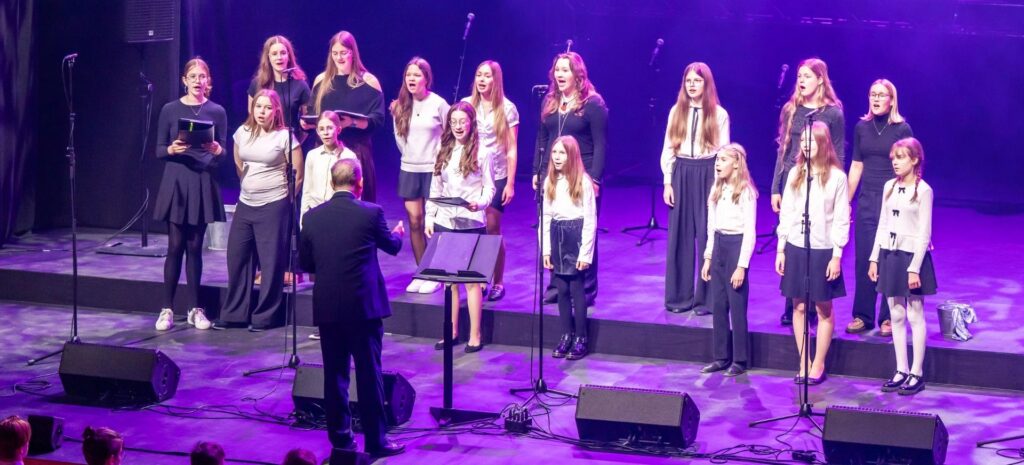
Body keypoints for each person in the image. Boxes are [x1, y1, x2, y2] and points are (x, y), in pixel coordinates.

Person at [299, 158, 405, 459]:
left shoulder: (312, 217)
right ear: (360, 183)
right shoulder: (371, 213)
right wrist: (398, 233)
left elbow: (306, 264)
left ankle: (341, 441)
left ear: (332, 183)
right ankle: (376, 441)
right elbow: (392, 246)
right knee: (369, 375)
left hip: (329, 309)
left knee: (335, 377)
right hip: (363, 310)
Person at [217, 89, 303, 331]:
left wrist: (285, 200)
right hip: (246, 203)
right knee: (238, 257)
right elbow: (239, 163)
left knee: (271, 261)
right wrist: (249, 185)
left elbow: (297, 174)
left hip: (274, 204)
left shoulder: (284, 137)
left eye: (267, 107)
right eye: (258, 107)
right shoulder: (242, 133)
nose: (262, 112)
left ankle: (265, 316)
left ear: (276, 110)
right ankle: (234, 314)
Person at [153, 57, 227, 332]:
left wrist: (218, 150)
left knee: (195, 247)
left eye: (202, 76)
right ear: (184, 80)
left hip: (201, 181)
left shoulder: (217, 111)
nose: (198, 80)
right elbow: (159, 149)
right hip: (177, 181)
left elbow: (222, 154)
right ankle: (167, 308)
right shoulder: (170, 109)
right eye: (193, 76)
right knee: (175, 246)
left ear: (208, 81)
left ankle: (195, 308)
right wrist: (171, 149)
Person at [771, 58, 845, 326]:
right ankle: (793, 303)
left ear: (820, 79)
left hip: (822, 180)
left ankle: (816, 303)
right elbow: (783, 150)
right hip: (794, 180)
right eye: (799, 76)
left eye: (807, 76)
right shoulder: (792, 109)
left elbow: (839, 152)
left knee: (816, 238)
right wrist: (775, 187)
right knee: (794, 240)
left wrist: (840, 191)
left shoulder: (833, 113)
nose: (801, 80)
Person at [776, 121, 850, 385]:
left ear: (823, 143)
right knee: (798, 305)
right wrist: (781, 248)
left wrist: (837, 255)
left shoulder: (837, 178)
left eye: (812, 141)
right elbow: (787, 213)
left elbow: (841, 218)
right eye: (803, 140)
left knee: (823, 307)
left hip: (822, 249)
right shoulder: (796, 173)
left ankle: (818, 363)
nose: (806, 145)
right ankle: (803, 360)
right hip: (797, 246)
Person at [533, 52, 608, 306]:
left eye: (565, 70)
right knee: (555, 229)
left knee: (581, 230)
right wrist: (537, 171)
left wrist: (595, 179)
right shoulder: (550, 101)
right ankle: (557, 286)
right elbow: (542, 138)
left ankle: (585, 289)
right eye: (557, 70)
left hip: (581, 175)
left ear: (578, 75)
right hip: (553, 175)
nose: (560, 74)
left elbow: (600, 144)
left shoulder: (592, 104)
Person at [661, 62, 730, 315]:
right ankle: (679, 297)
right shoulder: (676, 111)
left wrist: (720, 183)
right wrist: (668, 181)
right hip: (681, 171)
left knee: (707, 234)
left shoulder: (719, 114)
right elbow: (668, 148)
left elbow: (724, 151)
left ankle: (707, 299)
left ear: (706, 84)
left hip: (707, 172)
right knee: (679, 235)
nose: (692, 85)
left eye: (697, 81)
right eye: (688, 81)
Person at [425, 102, 495, 353]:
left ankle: (475, 335)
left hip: (470, 222)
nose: (457, 126)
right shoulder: (443, 149)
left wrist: (480, 203)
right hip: (445, 220)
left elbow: (489, 187)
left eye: (462, 121)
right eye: (453, 122)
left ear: (471, 123)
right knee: (449, 282)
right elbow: (435, 188)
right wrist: (430, 217)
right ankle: (451, 332)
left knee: (471, 282)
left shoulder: (483, 152)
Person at [847, 79, 914, 337]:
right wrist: (846, 202)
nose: (876, 99)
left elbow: (909, 167)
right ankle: (862, 315)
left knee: (888, 258)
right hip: (867, 199)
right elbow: (856, 166)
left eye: (881, 95)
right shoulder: (861, 127)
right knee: (865, 257)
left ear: (891, 100)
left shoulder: (902, 129)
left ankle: (888, 317)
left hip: (892, 201)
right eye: (872, 94)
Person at [870, 137, 936, 396]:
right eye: (893, 158)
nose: (895, 163)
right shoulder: (889, 186)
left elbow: (924, 232)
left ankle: (916, 373)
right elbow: (883, 224)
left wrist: (914, 267)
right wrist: (874, 257)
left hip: (911, 259)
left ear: (914, 159)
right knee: (895, 314)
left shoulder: (924, 190)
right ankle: (901, 369)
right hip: (890, 255)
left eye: (901, 158)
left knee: (914, 315)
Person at [391, 56, 450, 294]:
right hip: (410, 168)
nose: (412, 79)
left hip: (433, 170)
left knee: (432, 223)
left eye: (417, 75)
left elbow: (450, 133)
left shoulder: (438, 104)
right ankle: (423, 271)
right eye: (408, 75)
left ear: (426, 78)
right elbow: (399, 137)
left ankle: (438, 272)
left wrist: (440, 160)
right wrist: (410, 156)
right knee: (415, 221)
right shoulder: (400, 105)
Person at [462, 60, 519, 301]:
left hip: (496, 176)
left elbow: (511, 148)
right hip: (472, 176)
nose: (482, 79)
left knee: (492, 228)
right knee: (474, 229)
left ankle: (498, 281)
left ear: (496, 80)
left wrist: (510, 183)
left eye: (487, 76)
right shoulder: (467, 104)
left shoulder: (507, 108)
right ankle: (479, 278)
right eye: (479, 75)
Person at [699, 143, 756, 377]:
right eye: (717, 160)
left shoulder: (746, 192)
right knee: (719, 304)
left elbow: (750, 232)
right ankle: (721, 356)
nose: (718, 164)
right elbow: (712, 226)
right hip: (719, 245)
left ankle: (740, 359)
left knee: (736, 305)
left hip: (736, 246)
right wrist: (708, 257)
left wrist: (741, 266)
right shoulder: (717, 189)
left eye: (723, 160)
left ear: (736, 163)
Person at [309, 31, 384, 203]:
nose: (339, 57)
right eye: (335, 53)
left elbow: (378, 120)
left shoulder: (368, 81)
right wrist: (308, 124)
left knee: (356, 202)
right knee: (322, 198)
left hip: (356, 149)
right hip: (325, 148)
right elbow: (313, 113)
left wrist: (352, 122)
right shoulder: (322, 81)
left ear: (353, 53)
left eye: (343, 53)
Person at [543, 136, 596, 360]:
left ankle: (581, 337)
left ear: (572, 155)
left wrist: (585, 253)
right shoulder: (550, 181)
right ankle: (566, 334)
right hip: (557, 234)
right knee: (561, 289)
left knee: (576, 289)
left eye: (562, 153)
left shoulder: (583, 182)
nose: (557, 157)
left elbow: (590, 219)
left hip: (575, 235)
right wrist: (546, 249)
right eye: (554, 152)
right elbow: (546, 216)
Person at [248, 35, 310, 139]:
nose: (279, 57)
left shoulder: (300, 85)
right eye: (274, 54)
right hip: (263, 140)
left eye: (283, 53)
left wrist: (296, 144)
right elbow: (252, 117)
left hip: (290, 142)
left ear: (289, 55)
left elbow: (307, 123)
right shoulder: (257, 84)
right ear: (268, 57)